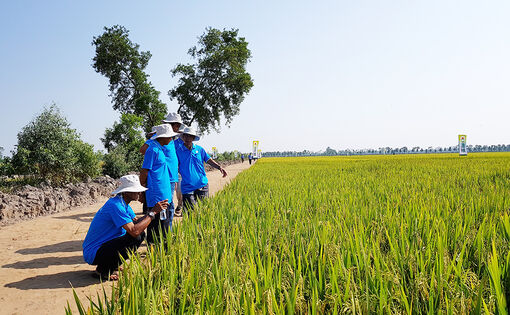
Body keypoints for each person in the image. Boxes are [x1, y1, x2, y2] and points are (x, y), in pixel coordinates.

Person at [82, 174, 168, 280]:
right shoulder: (116, 206)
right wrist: (153, 212)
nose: (139, 193)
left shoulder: (123, 204)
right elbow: (134, 231)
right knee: (136, 236)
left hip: (104, 247)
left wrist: (152, 212)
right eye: (136, 190)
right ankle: (102, 271)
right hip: (94, 253)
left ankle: (112, 264)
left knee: (140, 234)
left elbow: (136, 222)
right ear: (127, 192)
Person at [139, 124, 180, 244]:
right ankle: (155, 250)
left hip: (163, 192)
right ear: (162, 137)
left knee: (164, 223)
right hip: (157, 194)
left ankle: (163, 248)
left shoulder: (160, 149)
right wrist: (142, 191)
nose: (171, 139)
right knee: (156, 224)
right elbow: (144, 171)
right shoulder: (152, 150)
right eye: (170, 137)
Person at [139, 113, 184, 216]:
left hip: (172, 178)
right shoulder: (158, 141)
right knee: (166, 208)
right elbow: (143, 150)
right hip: (163, 179)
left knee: (169, 207)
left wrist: (175, 178)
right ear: (171, 125)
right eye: (177, 125)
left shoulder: (171, 140)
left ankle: (168, 229)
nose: (178, 128)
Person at [175, 126, 227, 211]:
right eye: (186, 136)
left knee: (203, 211)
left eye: (190, 136)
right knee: (190, 213)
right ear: (183, 137)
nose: (187, 138)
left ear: (193, 138)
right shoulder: (178, 151)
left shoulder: (199, 149)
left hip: (202, 185)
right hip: (187, 187)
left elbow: (208, 160)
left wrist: (219, 167)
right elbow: (175, 166)